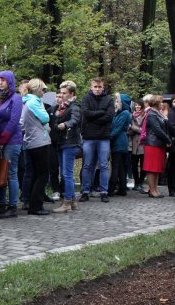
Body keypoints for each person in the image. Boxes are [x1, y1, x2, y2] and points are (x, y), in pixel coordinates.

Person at [79, 77, 114, 203]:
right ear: (91, 87)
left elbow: (109, 116)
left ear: (103, 87)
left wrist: (94, 117)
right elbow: (85, 113)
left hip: (104, 137)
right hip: (88, 137)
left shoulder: (109, 99)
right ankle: (85, 191)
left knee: (104, 165)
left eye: (99, 87)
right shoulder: (85, 98)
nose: (97, 89)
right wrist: (101, 112)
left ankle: (104, 191)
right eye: (95, 87)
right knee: (87, 165)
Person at [0, 71, 23, 218]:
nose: (0, 82)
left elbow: (13, 121)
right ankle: (1, 204)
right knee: (1, 172)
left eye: (3, 80)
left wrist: (2, 141)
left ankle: (12, 206)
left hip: (11, 141)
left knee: (11, 172)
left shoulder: (16, 99)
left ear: (10, 81)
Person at [20, 78, 51, 215]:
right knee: (42, 175)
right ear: (37, 89)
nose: (44, 92)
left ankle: (33, 204)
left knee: (35, 174)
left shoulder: (27, 101)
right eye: (43, 89)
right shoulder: (33, 102)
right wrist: (44, 110)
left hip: (31, 142)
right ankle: (36, 206)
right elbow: (45, 118)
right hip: (39, 142)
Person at [51, 80, 82, 213]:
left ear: (71, 94)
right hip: (62, 142)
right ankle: (73, 202)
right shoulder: (61, 107)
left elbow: (75, 119)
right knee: (65, 174)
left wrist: (66, 124)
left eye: (64, 93)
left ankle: (67, 202)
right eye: (61, 92)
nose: (62, 95)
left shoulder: (74, 106)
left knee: (67, 174)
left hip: (70, 142)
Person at [143, 95, 172, 198]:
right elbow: (157, 130)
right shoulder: (151, 114)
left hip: (159, 144)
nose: (162, 104)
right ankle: (152, 190)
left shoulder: (158, 113)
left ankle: (155, 189)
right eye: (161, 102)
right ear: (155, 104)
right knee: (151, 168)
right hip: (153, 144)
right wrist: (168, 139)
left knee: (157, 168)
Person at [108, 93, 132, 196]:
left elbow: (117, 128)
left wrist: (109, 136)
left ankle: (111, 189)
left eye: (117, 101)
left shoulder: (125, 113)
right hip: (117, 141)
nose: (115, 103)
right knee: (121, 166)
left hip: (120, 142)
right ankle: (122, 189)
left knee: (116, 166)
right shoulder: (117, 113)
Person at [129, 97, 148, 191]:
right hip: (133, 144)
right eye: (136, 105)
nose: (137, 106)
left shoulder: (146, 115)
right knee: (134, 164)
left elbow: (144, 131)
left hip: (142, 143)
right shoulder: (132, 115)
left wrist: (133, 127)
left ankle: (140, 182)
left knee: (144, 164)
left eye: (139, 105)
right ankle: (136, 183)